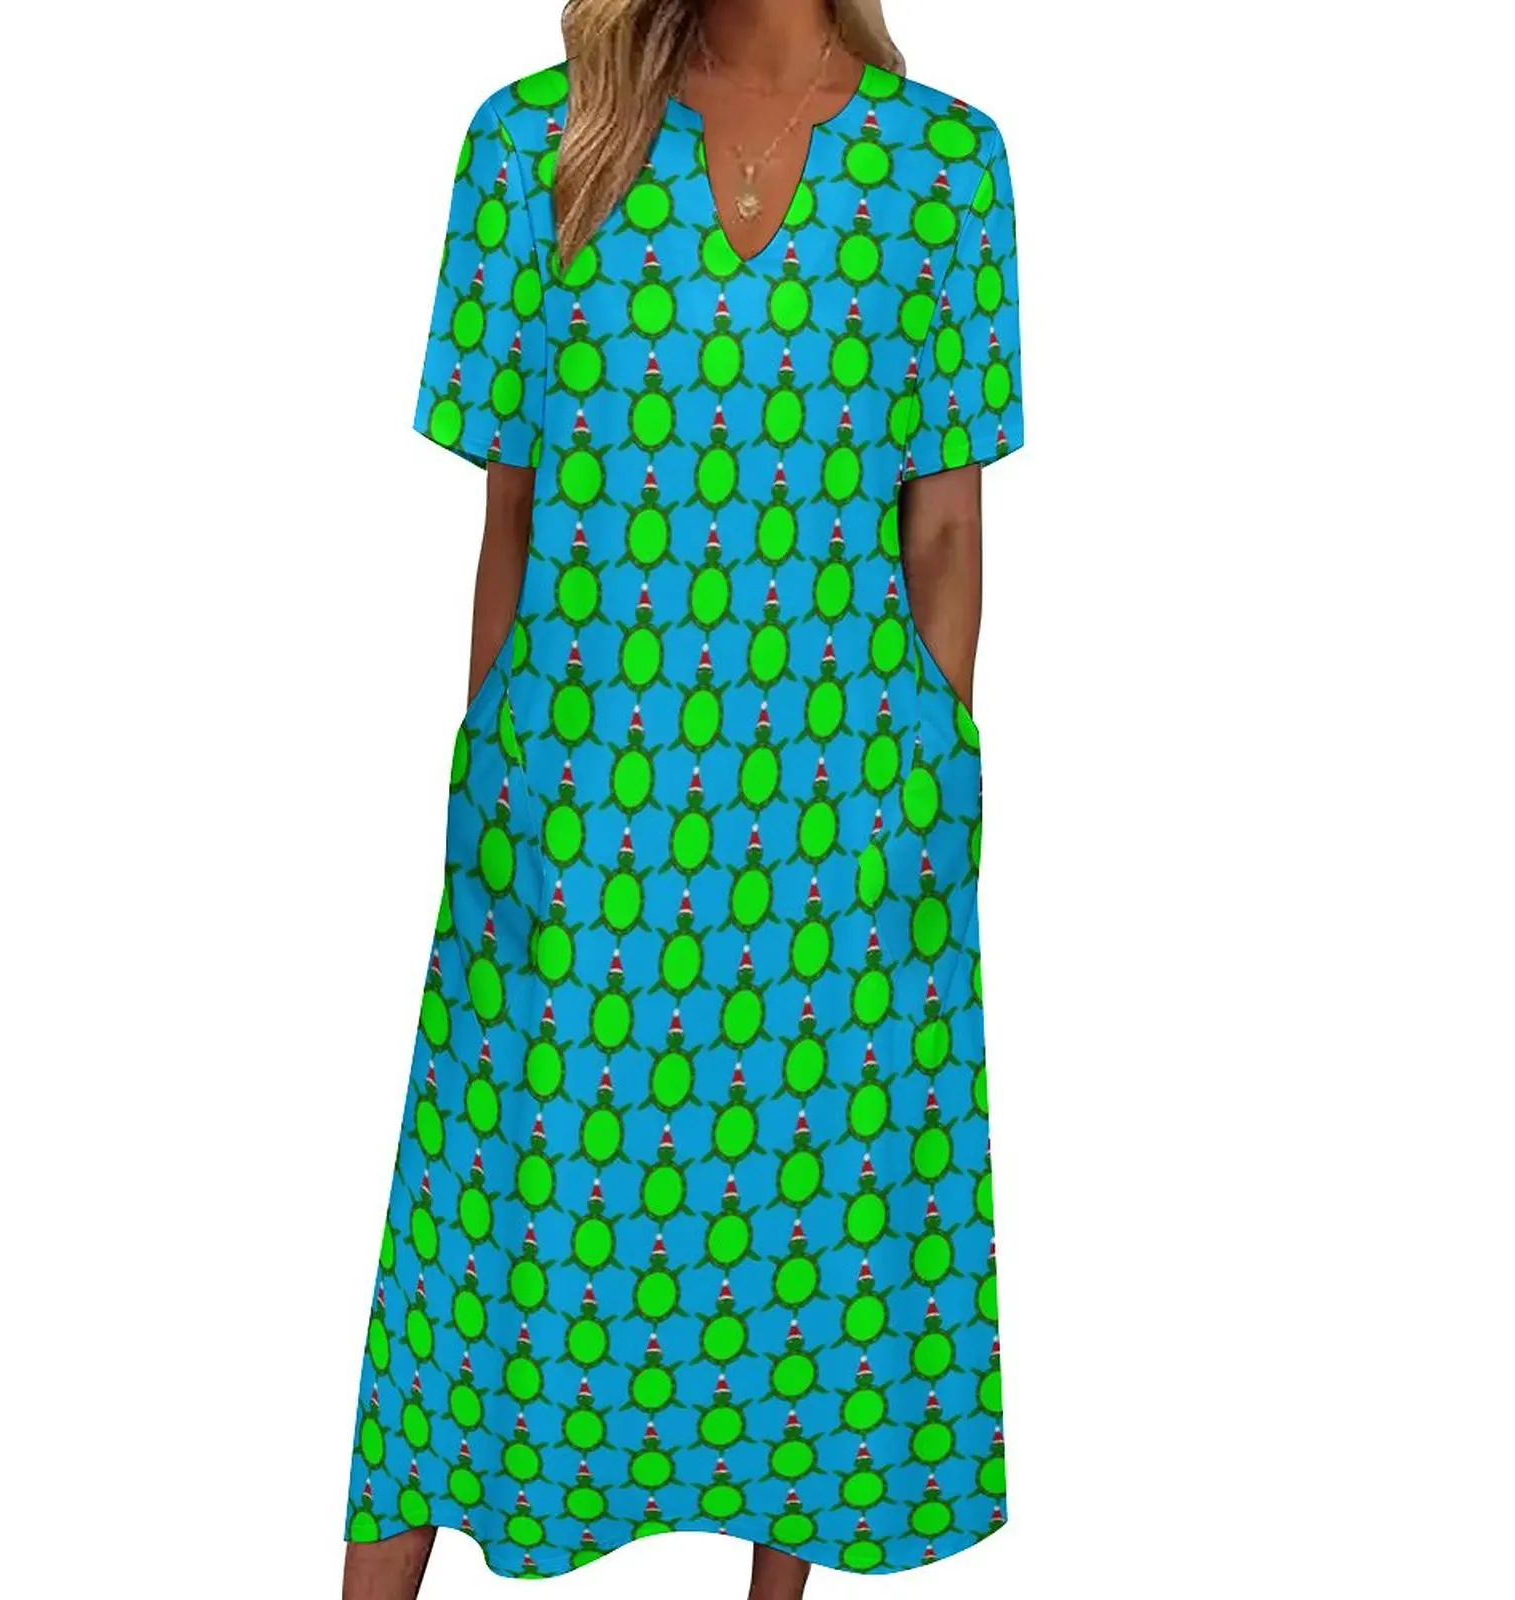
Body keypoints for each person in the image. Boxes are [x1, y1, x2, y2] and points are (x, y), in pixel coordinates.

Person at [341, 0, 1022, 1593]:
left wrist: (933, 776)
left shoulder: (944, 168)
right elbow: (513, 521)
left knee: (819, 1227)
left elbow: (942, 533)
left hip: (844, 816)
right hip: (579, 808)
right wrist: (495, 781)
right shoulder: (537, 142)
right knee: (482, 1235)